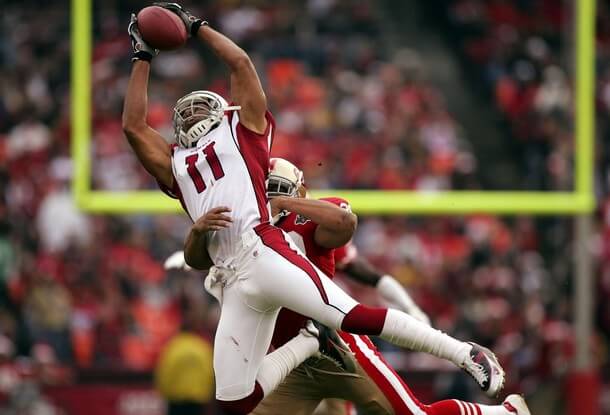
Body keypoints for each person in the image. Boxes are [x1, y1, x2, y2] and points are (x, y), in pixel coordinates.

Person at [123, 3, 504, 413]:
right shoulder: (177, 165)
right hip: (233, 277)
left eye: (202, 105)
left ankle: (465, 353)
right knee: (234, 401)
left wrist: (196, 27)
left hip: (262, 250)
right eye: (187, 110)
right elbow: (133, 126)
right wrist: (142, 55)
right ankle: (308, 343)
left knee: (352, 316)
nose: (194, 111)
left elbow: (240, 62)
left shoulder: (243, 130)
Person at [257, 158, 532, 415]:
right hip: (293, 359)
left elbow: (346, 226)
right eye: (264, 190)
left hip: (337, 347)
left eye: (277, 191)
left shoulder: (306, 224)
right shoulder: (247, 233)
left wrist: (410, 305)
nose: (268, 200)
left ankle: (504, 412)